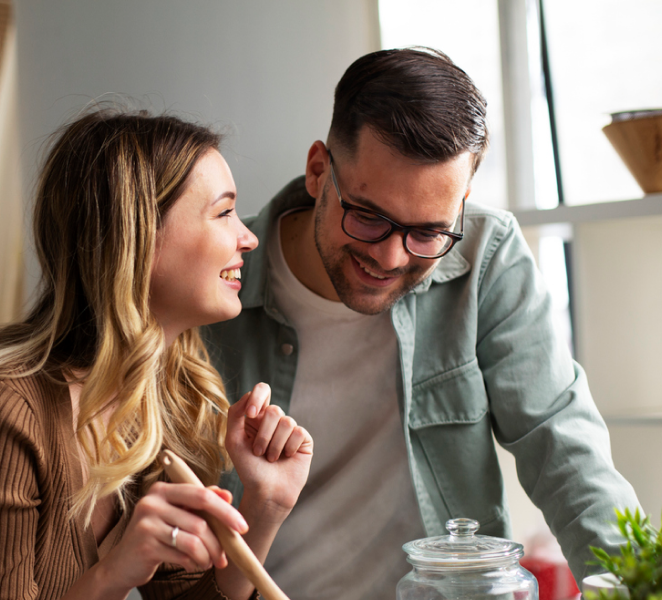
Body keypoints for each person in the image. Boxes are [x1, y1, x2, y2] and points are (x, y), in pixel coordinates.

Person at [203, 47, 641, 599]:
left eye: (428, 232)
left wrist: (637, 586)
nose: (390, 258)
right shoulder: (214, 277)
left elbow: (559, 439)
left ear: (461, 205)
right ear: (319, 171)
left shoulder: (488, 254)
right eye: (367, 216)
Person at [0, 109, 313, 600]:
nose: (247, 237)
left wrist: (265, 504)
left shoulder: (160, 397)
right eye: (224, 212)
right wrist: (114, 572)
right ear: (138, 238)